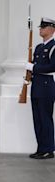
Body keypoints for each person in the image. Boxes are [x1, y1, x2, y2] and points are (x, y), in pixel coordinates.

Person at [25, 17, 55, 159]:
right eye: (40, 27)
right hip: (37, 86)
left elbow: (52, 66)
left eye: (43, 27)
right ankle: (40, 148)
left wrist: (34, 67)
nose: (40, 29)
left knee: (45, 118)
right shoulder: (38, 47)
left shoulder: (53, 47)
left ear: (51, 29)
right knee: (37, 119)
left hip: (46, 87)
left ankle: (48, 149)